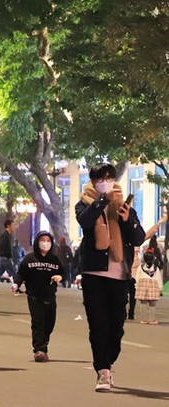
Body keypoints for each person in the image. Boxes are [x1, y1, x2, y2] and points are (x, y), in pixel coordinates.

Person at [76, 163, 145, 392]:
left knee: (116, 325)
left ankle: (109, 360)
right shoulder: (85, 202)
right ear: (93, 181)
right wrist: (102, 201)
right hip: (93, 273)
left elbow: (138, 238)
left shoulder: (123, 205)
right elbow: (85, 221)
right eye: (100, 178)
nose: (105, 181)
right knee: (98, 324)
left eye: (109, 177)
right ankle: (102, 371)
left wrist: (126, 220)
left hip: (119, 274)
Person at [12, 231, 64, 362]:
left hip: (50, 295)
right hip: (34, 296)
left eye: (48, 240)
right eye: (43, 240)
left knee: (49, 322)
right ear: (37, 242)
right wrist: (16, 284)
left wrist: (60, 277)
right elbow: (21, 274)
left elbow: (64, 272)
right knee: (38, 322)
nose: (45, 243)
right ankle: (39, 350)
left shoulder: (55, 260)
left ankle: (44, 344)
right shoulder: (29, 259)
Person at [135, 251, 162, 324]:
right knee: (152, 303)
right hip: (153, 286)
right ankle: (152, 319)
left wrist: (137, 286)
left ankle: (144, 319)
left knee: (143, 303)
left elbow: (137, 277)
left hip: (142, 285)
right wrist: (160, 288)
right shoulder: (156, 269)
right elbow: (159, 278)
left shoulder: (140, 267)